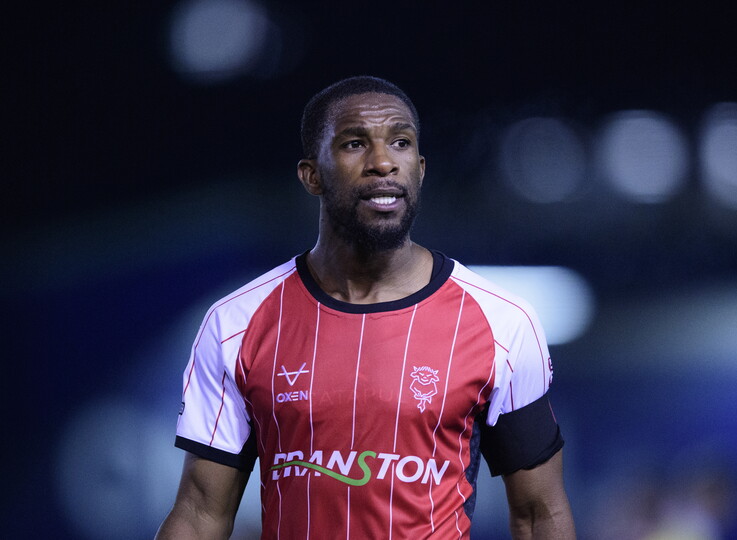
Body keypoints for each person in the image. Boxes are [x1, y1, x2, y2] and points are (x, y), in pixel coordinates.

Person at [156, 75, 575, 539]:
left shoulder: (502, 323)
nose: (382, 162)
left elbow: (539, 515)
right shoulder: (236, 323)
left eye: (399, 142)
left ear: (419, 168)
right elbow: (199, 513)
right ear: (311, 174)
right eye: (355, 143)